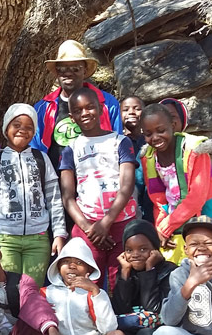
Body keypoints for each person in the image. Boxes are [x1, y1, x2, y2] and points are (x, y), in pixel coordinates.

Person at [0, 103, 67, 286]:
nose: (22, 131)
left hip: (38, 239)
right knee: (9, 290)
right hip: (4, 239)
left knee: (32, 290)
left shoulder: (42, 158)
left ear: (34, 131)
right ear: (6, 128)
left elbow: (54, 199)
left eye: (28, 127)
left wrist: (59, 233)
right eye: (16, 125)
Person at [59, 87, 138, 291]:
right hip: (87, 227)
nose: (85, 113)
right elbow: (68, 196)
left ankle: (119, 321)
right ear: (72, 117)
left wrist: (106, 222)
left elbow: (127, 186)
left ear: (101, 108)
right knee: (85, 281)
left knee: (121, 280)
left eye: (90, 107)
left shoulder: (120, 142)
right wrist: (90, 228)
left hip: (121, 223)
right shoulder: (71, 149)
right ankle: (87, 321)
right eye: (78, 110)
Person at [140, 104, 212, 265]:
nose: (155, 137)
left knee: (206, 269)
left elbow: (197, 197)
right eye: (148, 134)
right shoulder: (149, 156)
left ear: (173, 126)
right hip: (173, 225)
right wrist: (161, 227)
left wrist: (166, 227)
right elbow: (158, 199)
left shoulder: (194, 150)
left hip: (206, 221)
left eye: (160, 130)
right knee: (177, 276)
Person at [32, 40, 122, 169]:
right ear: (57, 73)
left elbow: (118, 142)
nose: (68, 73)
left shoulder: (107, 103)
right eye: (62, 69)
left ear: (85, 71)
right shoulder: (43, 108)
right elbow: (35, 149)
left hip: (98, 177)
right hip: (55, 182)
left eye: (75, 68)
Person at [112, 220, 177, 335]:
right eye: (129, 250)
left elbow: (154, 309)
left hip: (162, 331)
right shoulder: (125, 272)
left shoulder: (169, 271)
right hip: (135, 329)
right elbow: (119, 310)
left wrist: (149, 271)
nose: (135, 255)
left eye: (143, 249)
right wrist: (125, 274)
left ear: (155, 249)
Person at [120, 96, 152, 222]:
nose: (131, 112)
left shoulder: (151, 141)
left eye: (137, 108)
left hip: (150, 198)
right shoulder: (117, 142)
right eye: (126, 109)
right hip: (127, 201)